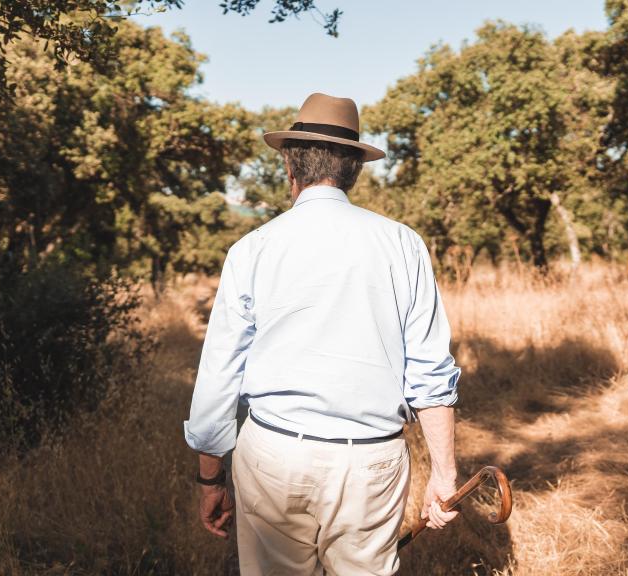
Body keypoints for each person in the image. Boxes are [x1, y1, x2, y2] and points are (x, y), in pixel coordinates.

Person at [184, 92, 461, 575]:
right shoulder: (403, 244)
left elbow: (218, 378)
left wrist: (210, 479)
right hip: (371, 463)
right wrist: (444, 472)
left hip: (273, 457)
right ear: (353, 170)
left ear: (289, 168)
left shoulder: (253, 249)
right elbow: (430, 372)